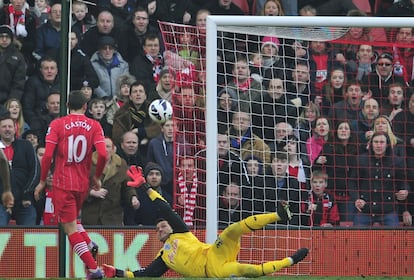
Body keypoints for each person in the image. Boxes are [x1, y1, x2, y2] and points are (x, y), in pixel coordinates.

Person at [103, 165, 309, 278]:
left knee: (232, 230)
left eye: (163, 225)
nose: (161, 227)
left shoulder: (181, 232)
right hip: (212, 272)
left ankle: (278, 216)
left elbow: (165, 208)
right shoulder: (163, 257)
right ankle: (290, 261)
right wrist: (117, 273)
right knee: (248, 271)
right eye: (157, 228)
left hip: (215, 252)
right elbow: (145, 274)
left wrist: (146, 187)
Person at [33, 90, 107, 279]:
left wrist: (42, 181)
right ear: (85, 107)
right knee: (70, 220)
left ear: (67, 106)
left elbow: (48, 155)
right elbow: (104, 154)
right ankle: (89, 244)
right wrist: (97, 177)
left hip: (63, 182)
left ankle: (93, 270)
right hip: (82, 183)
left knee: (69, 228)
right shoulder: (94, 125)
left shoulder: (58, 124)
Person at [349, 131, 409, 227]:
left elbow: (403, 182)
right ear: (371, 144)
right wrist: (356, 198)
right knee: (357, 240)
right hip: (365, 209)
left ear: (387, 144)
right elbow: (352, 182)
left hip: (388, 210)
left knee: (395, 240)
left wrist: (404, 191)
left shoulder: (397, 161)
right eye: (376, 142)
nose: (378, 145)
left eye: (382, 142)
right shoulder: (361, 160)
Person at [81, 137, 138, 226]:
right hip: (91, 217)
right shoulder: (87, 163)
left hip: (113, 218)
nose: (105, 149)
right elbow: (78, 185)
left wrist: (133, 197)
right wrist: (91, 192)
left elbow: (127, 186)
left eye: (108, 147)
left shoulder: (121, 164)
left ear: (113, 149)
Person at [0, 115, 40, 226]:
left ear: (15, 128)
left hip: (24, 201)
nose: (7, 129)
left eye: (10, 126)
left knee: (30, 228)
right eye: (4, 127)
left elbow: (35, 171)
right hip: (1, 202)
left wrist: (26, 195)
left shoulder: (26, 146)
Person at [22, 56, 60, 127]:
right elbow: (27, 108)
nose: (49, 71)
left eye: (52, 68)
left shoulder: (63, 83)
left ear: (56, 71)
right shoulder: (32, 83)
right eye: (46, 68)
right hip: (38, 122)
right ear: (41, 70)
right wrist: (36, 123)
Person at [0, 25, 27, 105]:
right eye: (1, 36)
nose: (4, 39)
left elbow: (19, 83)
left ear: (11, 39)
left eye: (7, 37)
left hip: (8, 99)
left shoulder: (18, 57)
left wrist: (12, 101)